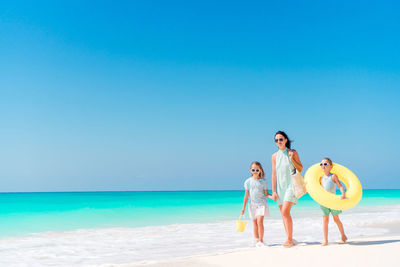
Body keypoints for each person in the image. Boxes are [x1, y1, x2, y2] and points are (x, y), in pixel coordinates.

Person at [271, 131, 303, 247]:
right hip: (280, 187)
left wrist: (292, 159)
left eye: (280, 139)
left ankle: (289, 240)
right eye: (276, 140)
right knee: (283, 214)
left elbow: (300, 168)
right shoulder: (274, 156)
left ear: (285, 140)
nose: (278, 142)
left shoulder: (292, 152)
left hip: (291, 185)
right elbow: (274, 174)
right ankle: (289, 238)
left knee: (285, 212)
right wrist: (273, 191)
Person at [241, 161, 274, 247]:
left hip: (261, 204)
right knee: (254, 223)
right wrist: (243, 208)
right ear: (250, 171)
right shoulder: (248, 182)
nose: (255, 171)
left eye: (257, 170)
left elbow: (267, 194)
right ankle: (256, 240)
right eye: (253, 170)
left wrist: (272, 197)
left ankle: (261, 241)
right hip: (252, 205)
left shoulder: (264, 181)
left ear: (260, 170)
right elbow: (246, 196)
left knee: (260, 222)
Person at [319, 157, 348, 246]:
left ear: (330, 166)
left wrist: (343, 194)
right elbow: (317, 189)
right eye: (321, 164)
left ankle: (343, 236)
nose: (323, 166)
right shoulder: (320, 178)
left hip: (333, 201)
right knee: (325, 220)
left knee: (336, 219)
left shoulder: (333, 176)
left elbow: (340, 186)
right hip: (324, 201)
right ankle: (326, 240)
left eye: (325, 164)